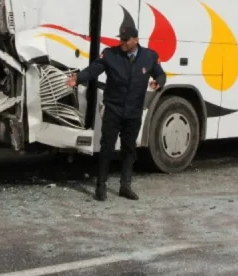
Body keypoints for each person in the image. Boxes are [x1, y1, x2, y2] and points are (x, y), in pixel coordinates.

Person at [67, 25, 166, 202]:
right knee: (107, 148)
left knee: (129, 149)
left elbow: (160, 74)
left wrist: (158, 82)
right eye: (120, 39)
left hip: (134, 112)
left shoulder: (149, 56)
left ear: (135, 40)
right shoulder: (110, 54)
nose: (122, 43)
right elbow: (94, 69)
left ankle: (125, 186)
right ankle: (101, 186)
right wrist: (78, 78)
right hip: (113, 109)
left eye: (126, 40)